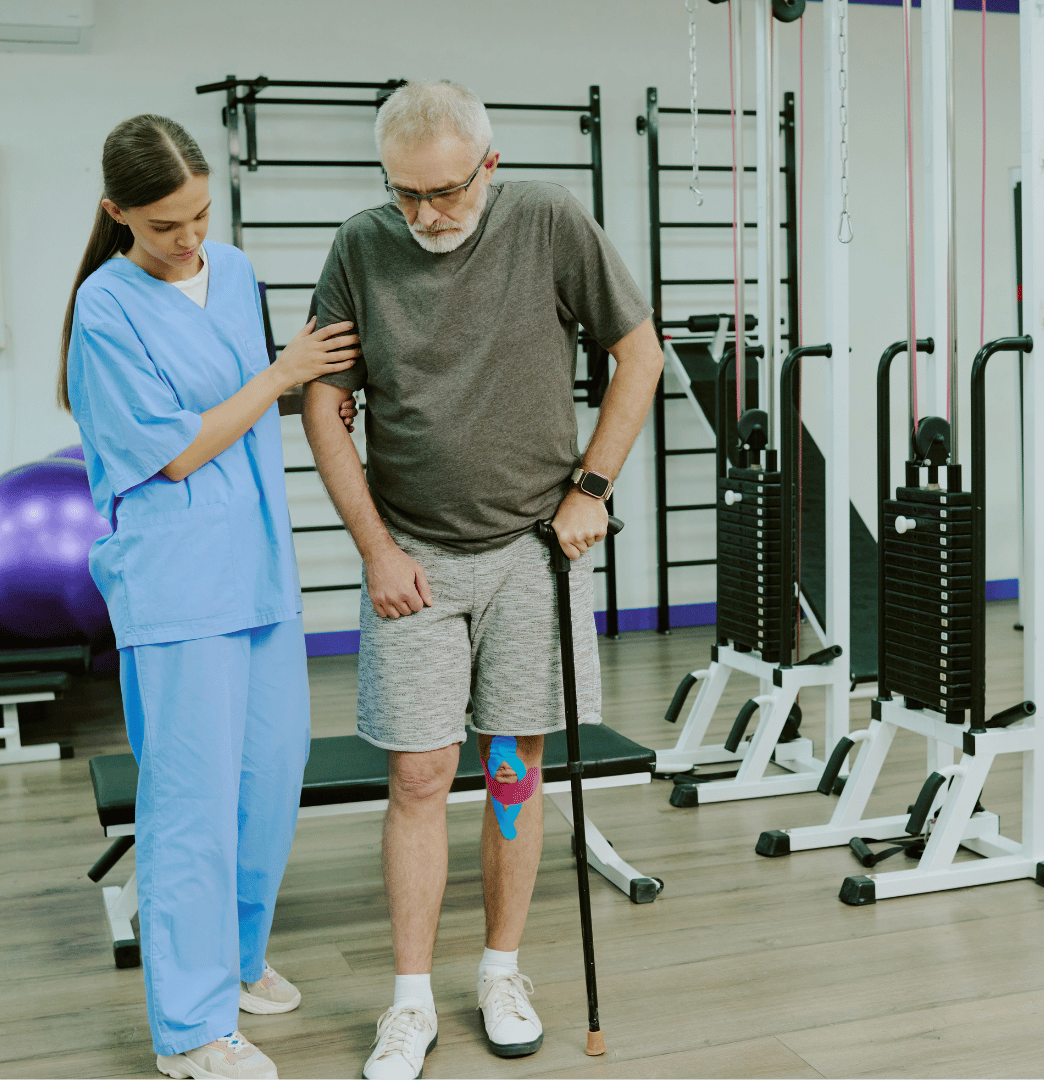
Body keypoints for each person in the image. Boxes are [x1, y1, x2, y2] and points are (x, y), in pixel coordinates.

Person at [302, 81, 663, 1080]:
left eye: (447, 191)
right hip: (414, 556)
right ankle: (409, 999)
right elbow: (324, 405)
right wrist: (376, 550)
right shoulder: (360, 246)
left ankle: (501, 972)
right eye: (405, 192)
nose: (425, 213)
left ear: (490, 166)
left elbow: (639, 353)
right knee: (418, 775)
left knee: (513, 766)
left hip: (529, 554)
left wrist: (593, 487)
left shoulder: (547, 220)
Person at [59, 114, 360, 1080]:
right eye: (164, 224)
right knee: (189, 804)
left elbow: (251, 403)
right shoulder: (104, 309)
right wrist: (285, 373)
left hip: (259, 564)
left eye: (199, 215)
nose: (189, 238)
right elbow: (179, 450)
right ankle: (189, 1029)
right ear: (117, 213)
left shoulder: (232, 272)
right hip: (179, 579)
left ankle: (234, 960)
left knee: (269, 776)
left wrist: (311, 385)